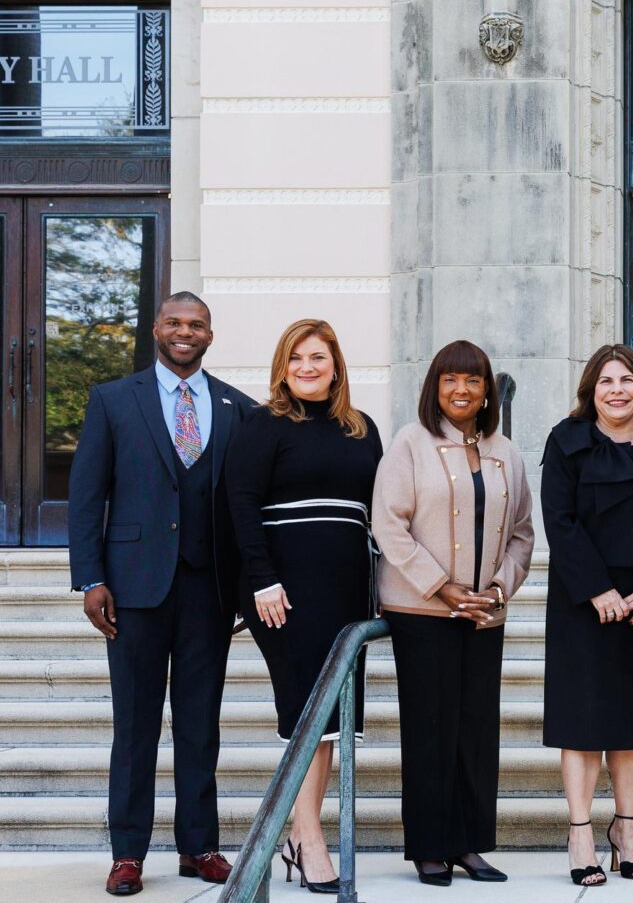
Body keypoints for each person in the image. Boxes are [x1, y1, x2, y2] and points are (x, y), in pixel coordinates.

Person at [68, 291, 254, 896]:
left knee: (200, 725)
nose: (184, 332)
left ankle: (199, 846)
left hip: (209, 589)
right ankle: (127, 853)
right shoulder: (113, 400)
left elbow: (247, 507)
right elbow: (86, 495)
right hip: (133, 587)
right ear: (155, 329)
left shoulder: (237, 408)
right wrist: (90, 577)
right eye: (174, 322)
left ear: (210, 335)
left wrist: (249, 585)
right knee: (135, 725)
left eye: (195, 324)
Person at [226, 319, 383, 893]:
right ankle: (308, 837)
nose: (307, 367)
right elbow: (240, 502)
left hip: (346, 588)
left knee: (331, 721)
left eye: (318, 357)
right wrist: (262, 579)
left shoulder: (361, 428)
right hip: (283, 589)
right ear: (282, 369)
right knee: (305, 710)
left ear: (336, 366)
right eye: (296, 359)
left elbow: (379, 509)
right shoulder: (263, 424)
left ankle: (302, 831)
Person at [373, 340, 535, 887]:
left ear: (487, 390)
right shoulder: (409, 443)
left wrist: (498, 589)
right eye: (450, 380)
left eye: (473, 380)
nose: (461, 390)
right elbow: (388, 524)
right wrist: (441, 588)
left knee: (476, 731)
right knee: (430, 729)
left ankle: (468, 844)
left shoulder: (505, 451)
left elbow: (522, 532)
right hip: (422, 609)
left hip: (483, 613)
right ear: (435, 388)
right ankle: (429, 847)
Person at [540, 344, 633, 887]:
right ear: (592, 390)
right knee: (581, 722)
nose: (617, 390)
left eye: (627, 380)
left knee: (632, 724)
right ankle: (580, 833)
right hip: (583, 602)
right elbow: (558, 520)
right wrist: (596, 589)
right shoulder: (567, 441)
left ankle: (626, 832)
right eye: (606, 381)